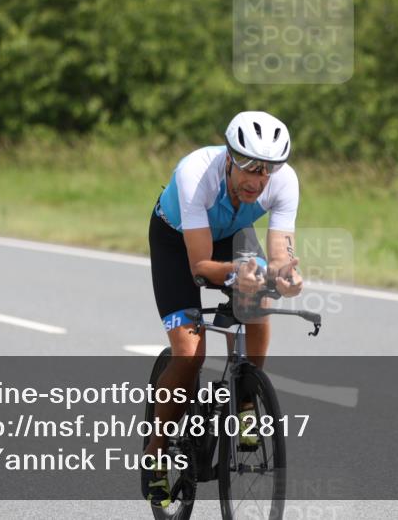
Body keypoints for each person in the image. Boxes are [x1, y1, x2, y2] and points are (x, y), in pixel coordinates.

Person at [142, 110, 303, 508]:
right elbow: (200, 267)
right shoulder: (196, 173)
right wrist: (236, 273)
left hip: (231, 237)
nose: (256, 180)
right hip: (179, 242)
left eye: (267, 171)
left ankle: (246, 398)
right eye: (249, 166)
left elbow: (281, 255)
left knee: (259, 300)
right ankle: (156, 450)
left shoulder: (284, 183)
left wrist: (285, 277)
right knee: (190, 354)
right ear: (229, 157)